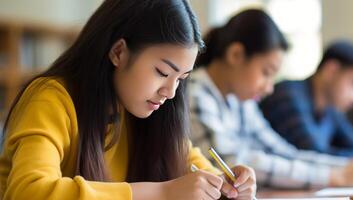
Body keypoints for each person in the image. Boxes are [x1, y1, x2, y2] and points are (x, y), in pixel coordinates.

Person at [0, 1, 256, 199]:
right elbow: (29, 192)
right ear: (118, 52)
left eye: (181, 78)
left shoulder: (147, 111)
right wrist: (163, 193)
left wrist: (226, 185)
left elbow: (195, 167)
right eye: (162, 73)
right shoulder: (50, 98)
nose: (170, 92)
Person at [189, 9, 353, 189]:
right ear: (236, 55)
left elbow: (281, 151)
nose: (269, 87)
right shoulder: (196, 94)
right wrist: (334, 176)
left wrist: (346, 166)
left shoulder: (239, 101)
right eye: (266, 72)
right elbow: (232, 163)